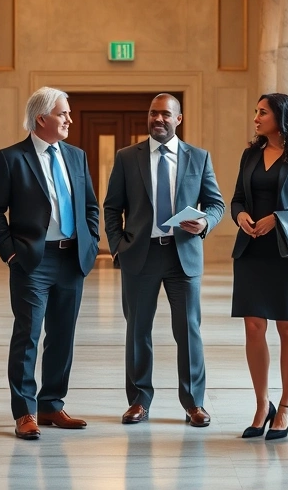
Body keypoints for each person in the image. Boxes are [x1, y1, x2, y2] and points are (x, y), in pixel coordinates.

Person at [103, 93, 225, 427]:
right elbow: (112, 207)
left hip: (182, 255)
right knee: (138, 331)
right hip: (139, 255)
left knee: (188, 331)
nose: (158, 120)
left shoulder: (198, 158)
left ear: (178, 119)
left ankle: (194, 403)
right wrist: (117, 246)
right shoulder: (128, 157)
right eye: (154, 114)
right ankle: (139, 401)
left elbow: (217, 204)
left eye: (166, 115)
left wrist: (204, 223)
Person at [0, 87, 100, 440]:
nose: (69, 119)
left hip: (71, 258)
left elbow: (91, 206)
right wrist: (11, 252)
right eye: (63, 113)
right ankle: (25, 412)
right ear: (42, 119)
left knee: (62, 336)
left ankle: (51, 404)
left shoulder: (77, 156)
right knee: (28, 336)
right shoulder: (11, 158)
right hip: (32, 260)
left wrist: (91, 243)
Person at [231, 93, 288, 440]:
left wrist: (278, 218)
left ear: (280, 116)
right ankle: (261, 403)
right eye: (256, 111)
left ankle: (285, 405)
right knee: (253, 326)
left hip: (287, 252)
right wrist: (240, 214)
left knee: (287, 327)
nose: (256, 118)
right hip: (251, 248)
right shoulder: (250, 154)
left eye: (262, 112)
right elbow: (237, 198)